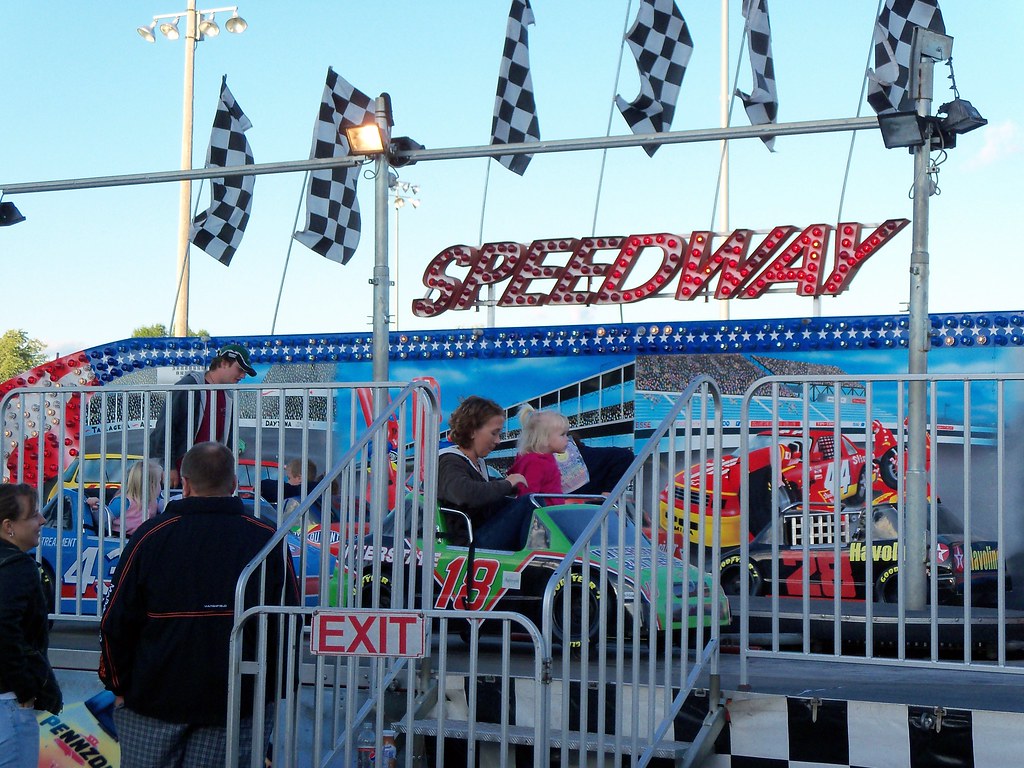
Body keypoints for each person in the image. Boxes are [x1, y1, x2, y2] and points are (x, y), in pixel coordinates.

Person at [99, 442, 299, 768]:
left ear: (186, 484)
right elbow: (287, 622)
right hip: (237, 701)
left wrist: (117, 685)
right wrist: (275, 689)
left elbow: (115, 620)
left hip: (152, 699)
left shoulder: (150, 536)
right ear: (234, 484)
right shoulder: (267, 539)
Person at [0, 483, 62, 768]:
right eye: (34, 515)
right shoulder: (17, 568)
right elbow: (4, 631)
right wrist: (25, 690)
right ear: (8, 526)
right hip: (9, 703)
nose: (42, 520)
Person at [149, 343, 257, 488]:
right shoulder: (189, 385)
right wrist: (168, 466)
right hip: (183, 476)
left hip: (211, 478)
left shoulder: (228, 396)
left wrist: (228, 472)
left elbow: (228, 439)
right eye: (240, 370)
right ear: (224, 363)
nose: (243, 376)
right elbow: (165, 426)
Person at [437, 396, 532, 550]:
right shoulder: (449, 461)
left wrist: (514, 485)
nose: (498, 441)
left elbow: (485, 489)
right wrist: (508, 484)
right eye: (494, 433)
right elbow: (464, 493)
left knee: (530, 501)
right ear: (472, 431)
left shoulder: (476, 463)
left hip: (478, 535)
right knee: (527, 503)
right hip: (468, 544)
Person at [509, 407, 569, 496]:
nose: (567, 439)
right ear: (544, 439)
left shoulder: (546, 459)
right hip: (543, 510)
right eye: (562, 434)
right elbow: (529, 496)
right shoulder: (536, 463)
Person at [109, 460, 165, 536]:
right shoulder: (124, 502)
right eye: (159, 482)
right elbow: (104, 517)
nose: (160, 486)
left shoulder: (155, 501)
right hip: (120, 538)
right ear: (151, 485)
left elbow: (168, 506)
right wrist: (95, 508)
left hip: (143, 538)